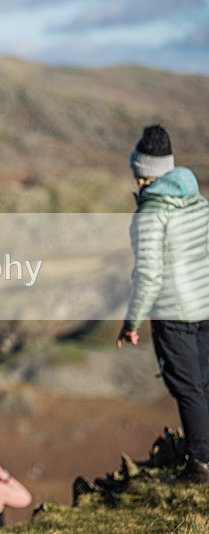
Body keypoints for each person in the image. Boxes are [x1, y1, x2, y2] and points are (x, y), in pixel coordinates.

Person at [116, 124, 209, 483]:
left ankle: (200, 465)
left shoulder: (151, 215)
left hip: (175, 312)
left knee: (187, 388)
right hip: (204, 305)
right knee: (204, 382)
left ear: (142, 172)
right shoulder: (197, 200)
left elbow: (149, 275)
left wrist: (132, 322)